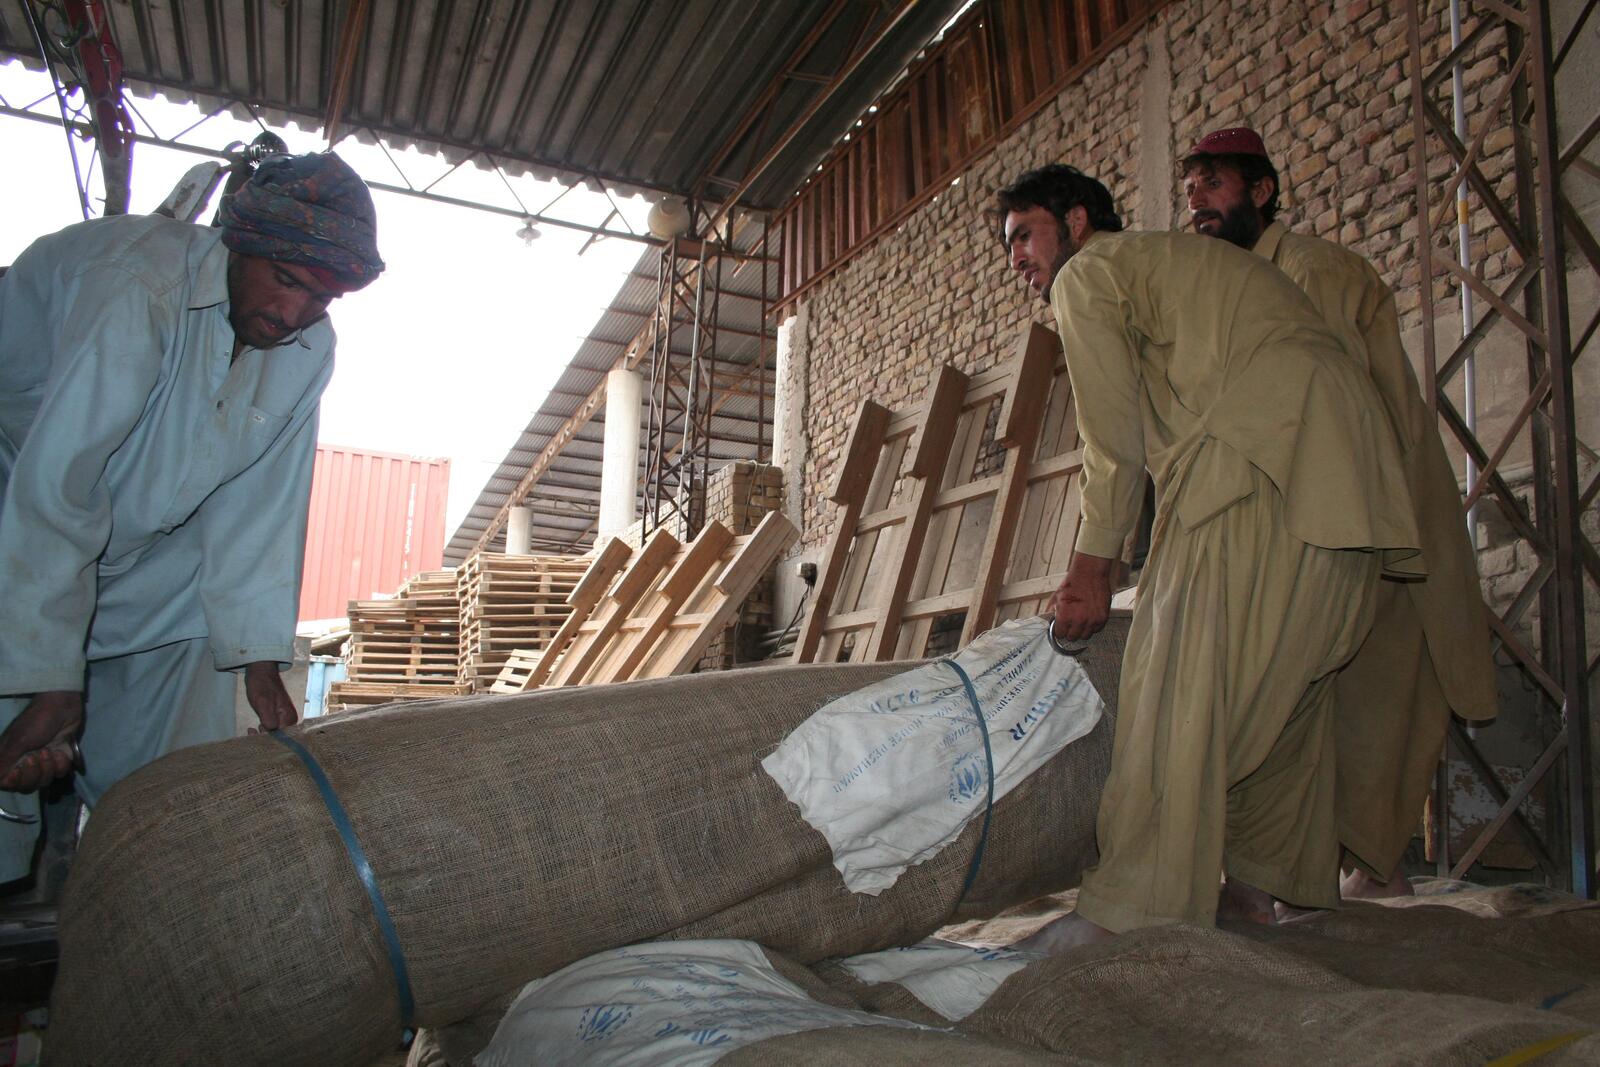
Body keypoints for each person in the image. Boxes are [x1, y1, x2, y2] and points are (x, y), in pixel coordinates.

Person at [996, 164, 1423, 949]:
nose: (1016, 257)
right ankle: (1258, 891)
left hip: (1258, 459)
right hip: (1350, 480)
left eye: (1025, 234)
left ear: (1078, 222)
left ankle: (1130, 910)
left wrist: (1091, 571)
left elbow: (1111, 439)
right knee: (1285, 695)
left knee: (1178, 683)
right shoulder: (1176, 266)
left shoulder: (1089, 273)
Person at [0, 151, 383, 888]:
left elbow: (265, 503)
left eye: (323, 297)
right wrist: (50, 675)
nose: (294, 314)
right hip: (18, 514)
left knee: (173, 806)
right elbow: (61, 482)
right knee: (17, 741)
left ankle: (143, 882)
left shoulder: (308, 346)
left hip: (136, 551)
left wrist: (259, 662)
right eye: (286, 280)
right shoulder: (137, 283)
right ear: (237, 243)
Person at [1182, 127, 1497, 899]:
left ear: (1261, 191)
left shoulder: (1311, 274)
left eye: (1214, 183)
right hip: (1313, 518)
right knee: (1329, 704)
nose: (1198, 202)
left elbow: (1322, 409)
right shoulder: (1234, 285)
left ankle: (1342, 875)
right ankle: (1346, 875)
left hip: (1357, 522)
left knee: (1350, 701)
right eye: (1190, 190)